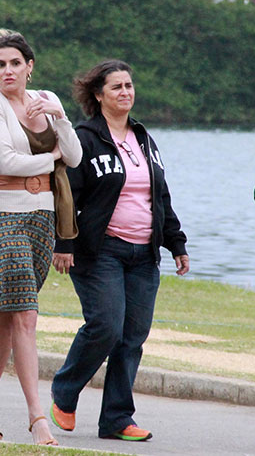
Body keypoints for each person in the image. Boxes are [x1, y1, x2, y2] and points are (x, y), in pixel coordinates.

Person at [49, 60, 189, 442]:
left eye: (129, 85)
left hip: (144, 254)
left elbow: (159, 194)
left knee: (131, 338)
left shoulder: (143, 137)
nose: (126, 92)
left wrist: (176, 242)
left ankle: (116, 418)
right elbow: (66, 194)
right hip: (100, 251)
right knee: (106, 327)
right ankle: (64, 392)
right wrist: (64, 244)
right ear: (98, 95)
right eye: (116, 87)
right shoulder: (85, 138)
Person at [0, 29, 82, 446]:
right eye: (0, 64)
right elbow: (6, 160)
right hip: (7, 216)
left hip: (43, 218)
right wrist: (50, 157)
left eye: (16, 63)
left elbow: (75, 155)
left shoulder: (46, 100)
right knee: (26, 316)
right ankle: (38, 418)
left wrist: (61, 118)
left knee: (8, 314)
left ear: (29, 67)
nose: (8, 70)